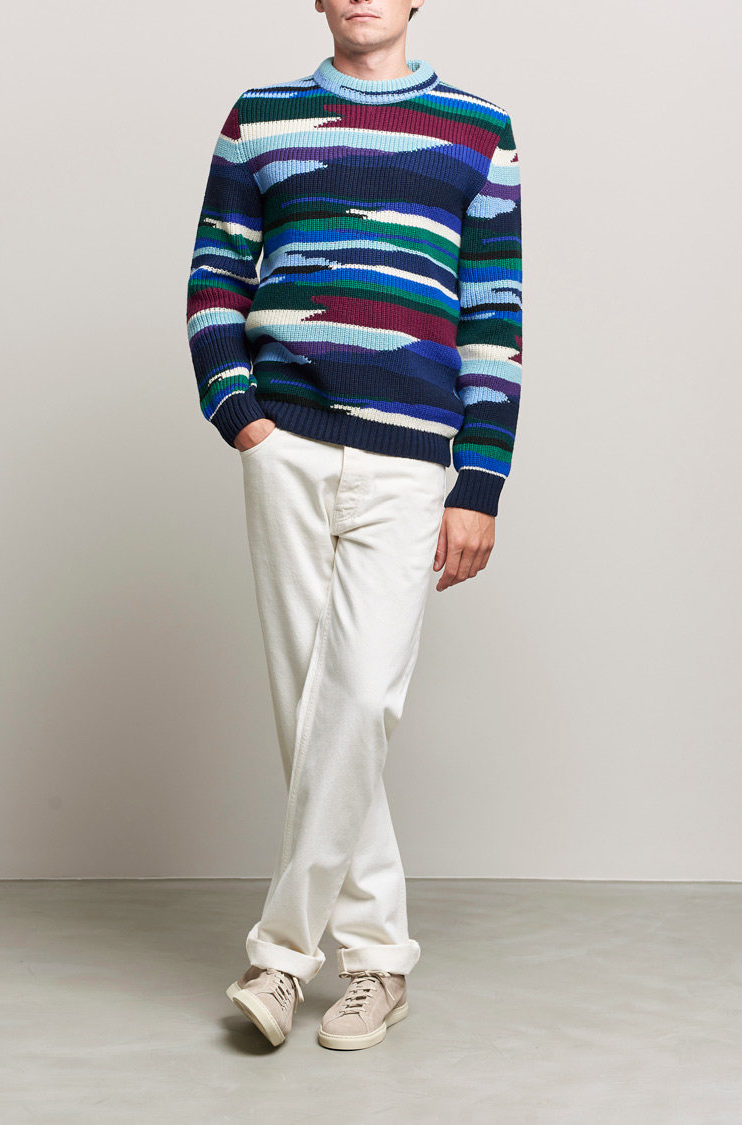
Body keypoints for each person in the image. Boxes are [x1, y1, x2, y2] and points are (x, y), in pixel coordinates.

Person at [185, 0, 522, 1051]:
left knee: (359, 700)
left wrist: (480, 483)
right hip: (284, 443)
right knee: (311, 711)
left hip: (411, 459)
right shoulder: (260, 115)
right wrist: (241, 416)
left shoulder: (480, 130)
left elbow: (494, 315)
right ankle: (377, 961)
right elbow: (214, 276)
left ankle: (282, 957)